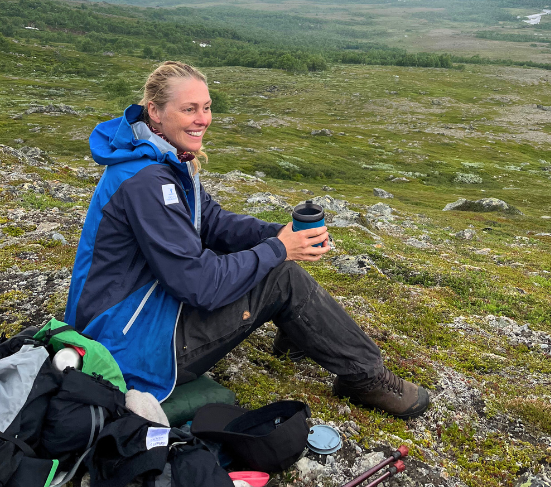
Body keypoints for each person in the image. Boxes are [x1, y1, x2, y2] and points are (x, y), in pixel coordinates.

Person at [64, 61, 430, 419]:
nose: (202, 118)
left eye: (206, 107)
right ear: (155, 112)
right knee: (280, 274)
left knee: (270, 255)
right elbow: (199, 285)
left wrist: (278, 235)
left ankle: (301, 334)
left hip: (136, 317)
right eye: (189, 109)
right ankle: (366, 377)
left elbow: (214, 222)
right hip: (128, 346)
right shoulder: (147, 181)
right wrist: (280, 248)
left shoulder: (161, 158)